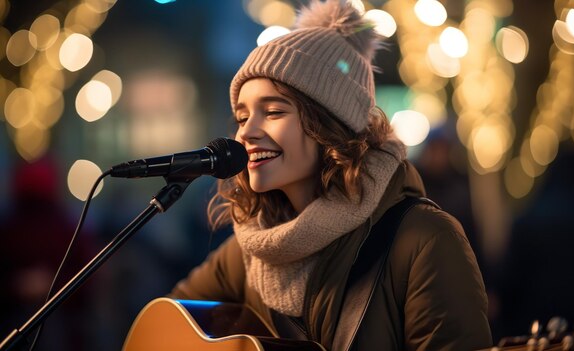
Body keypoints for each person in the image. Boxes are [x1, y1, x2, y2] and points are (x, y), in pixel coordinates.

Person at [170, 1, 492, 349]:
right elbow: (165, 331)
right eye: (242, 117)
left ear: (329, 125)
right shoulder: (249, 251)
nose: (247, 133)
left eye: (274, 111)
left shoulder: (424, 241)